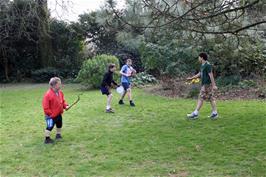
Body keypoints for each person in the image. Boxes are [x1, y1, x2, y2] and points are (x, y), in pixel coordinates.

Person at [187, 52, 218, 120]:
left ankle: (195, 113)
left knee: (201, 98)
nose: (198, 58)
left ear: (202, 57)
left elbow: (211, 75)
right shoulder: (203, 65)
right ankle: (215, 113)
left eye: (199, 57)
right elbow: (200, 73)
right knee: (211, 98)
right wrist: (192, 78)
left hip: (207, 85)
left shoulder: (208, 65)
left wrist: (214, 85)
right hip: (205, 84)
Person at [42, 77, 69, 144]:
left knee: (59, 124)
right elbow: (45, 107)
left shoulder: (60, 93)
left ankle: (58, 135)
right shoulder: (48, 95)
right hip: (50, 115)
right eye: (59, 84)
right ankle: (47, 139)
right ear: (54, 85)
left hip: (58, 113)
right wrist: (51, 114)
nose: (60, 85)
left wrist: (65, 106)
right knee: (49, 126)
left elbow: (62, 101)